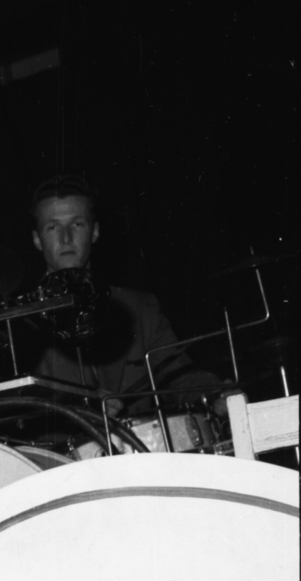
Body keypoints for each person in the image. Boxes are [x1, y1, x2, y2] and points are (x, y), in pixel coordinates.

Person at [27, 174, 220, 411]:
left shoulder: (141, 308)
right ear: (37, 239)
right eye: (53, 227)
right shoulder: (17, 323)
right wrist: (80, 403)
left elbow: (180, 376)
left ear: (95, 232)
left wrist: (215, 394)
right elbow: (5, 411)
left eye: (77, 224)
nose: (66, 238)